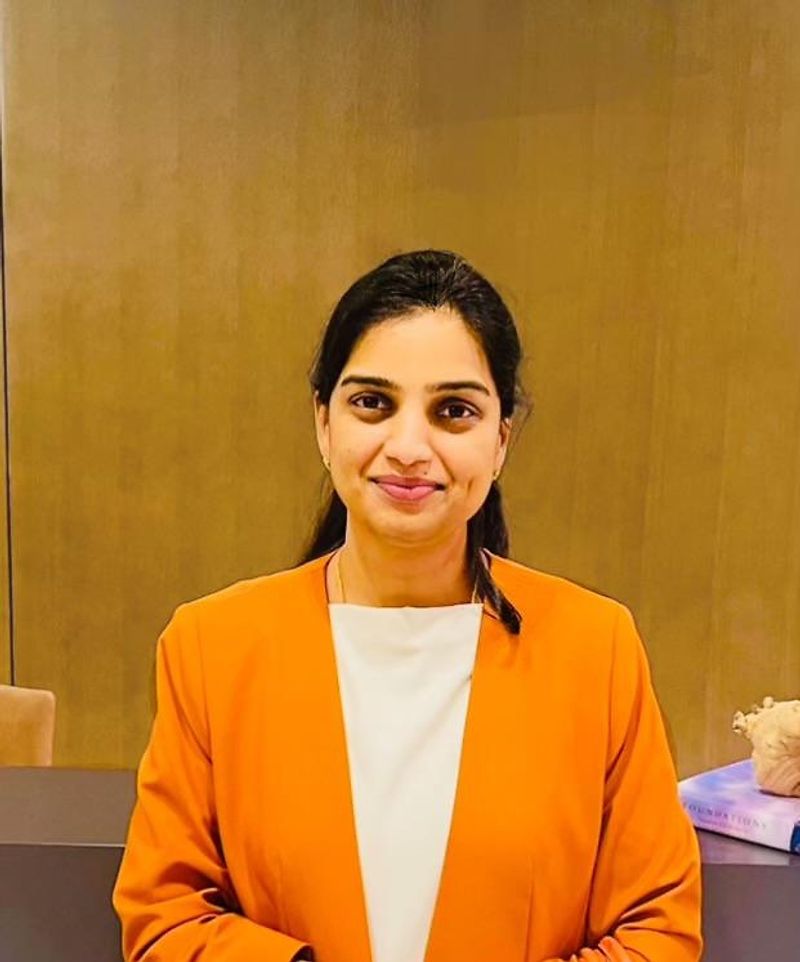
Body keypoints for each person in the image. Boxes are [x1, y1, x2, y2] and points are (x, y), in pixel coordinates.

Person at [112, 249, 703, 962]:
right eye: (373, 403)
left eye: (454, 411)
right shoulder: (213, 646)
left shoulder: (595, 647)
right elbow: (166, 917)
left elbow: (658, 926)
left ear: (500, 441)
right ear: (324, 424)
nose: (409, 447)